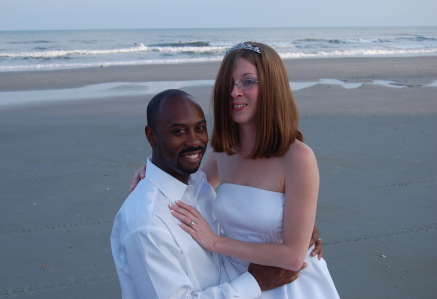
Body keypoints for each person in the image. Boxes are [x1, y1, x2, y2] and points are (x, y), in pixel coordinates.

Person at [131, 42, 339, 298]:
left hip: (287, 284)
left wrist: (215, 242)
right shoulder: (224, 151)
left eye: (248, 82)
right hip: (237, 281)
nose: (234, 92)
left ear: (272, 87)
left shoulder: (297, 158)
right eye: (229, 84)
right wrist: (152, 169)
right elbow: (190, 186)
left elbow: (294, 257)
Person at [111, 89, 321, 298]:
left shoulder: (199, 186)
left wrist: (292, 230)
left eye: (200, 128)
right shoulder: (146, 224)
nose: (194, 141)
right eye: (179, 131)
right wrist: (255, 283)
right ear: (151, 136)